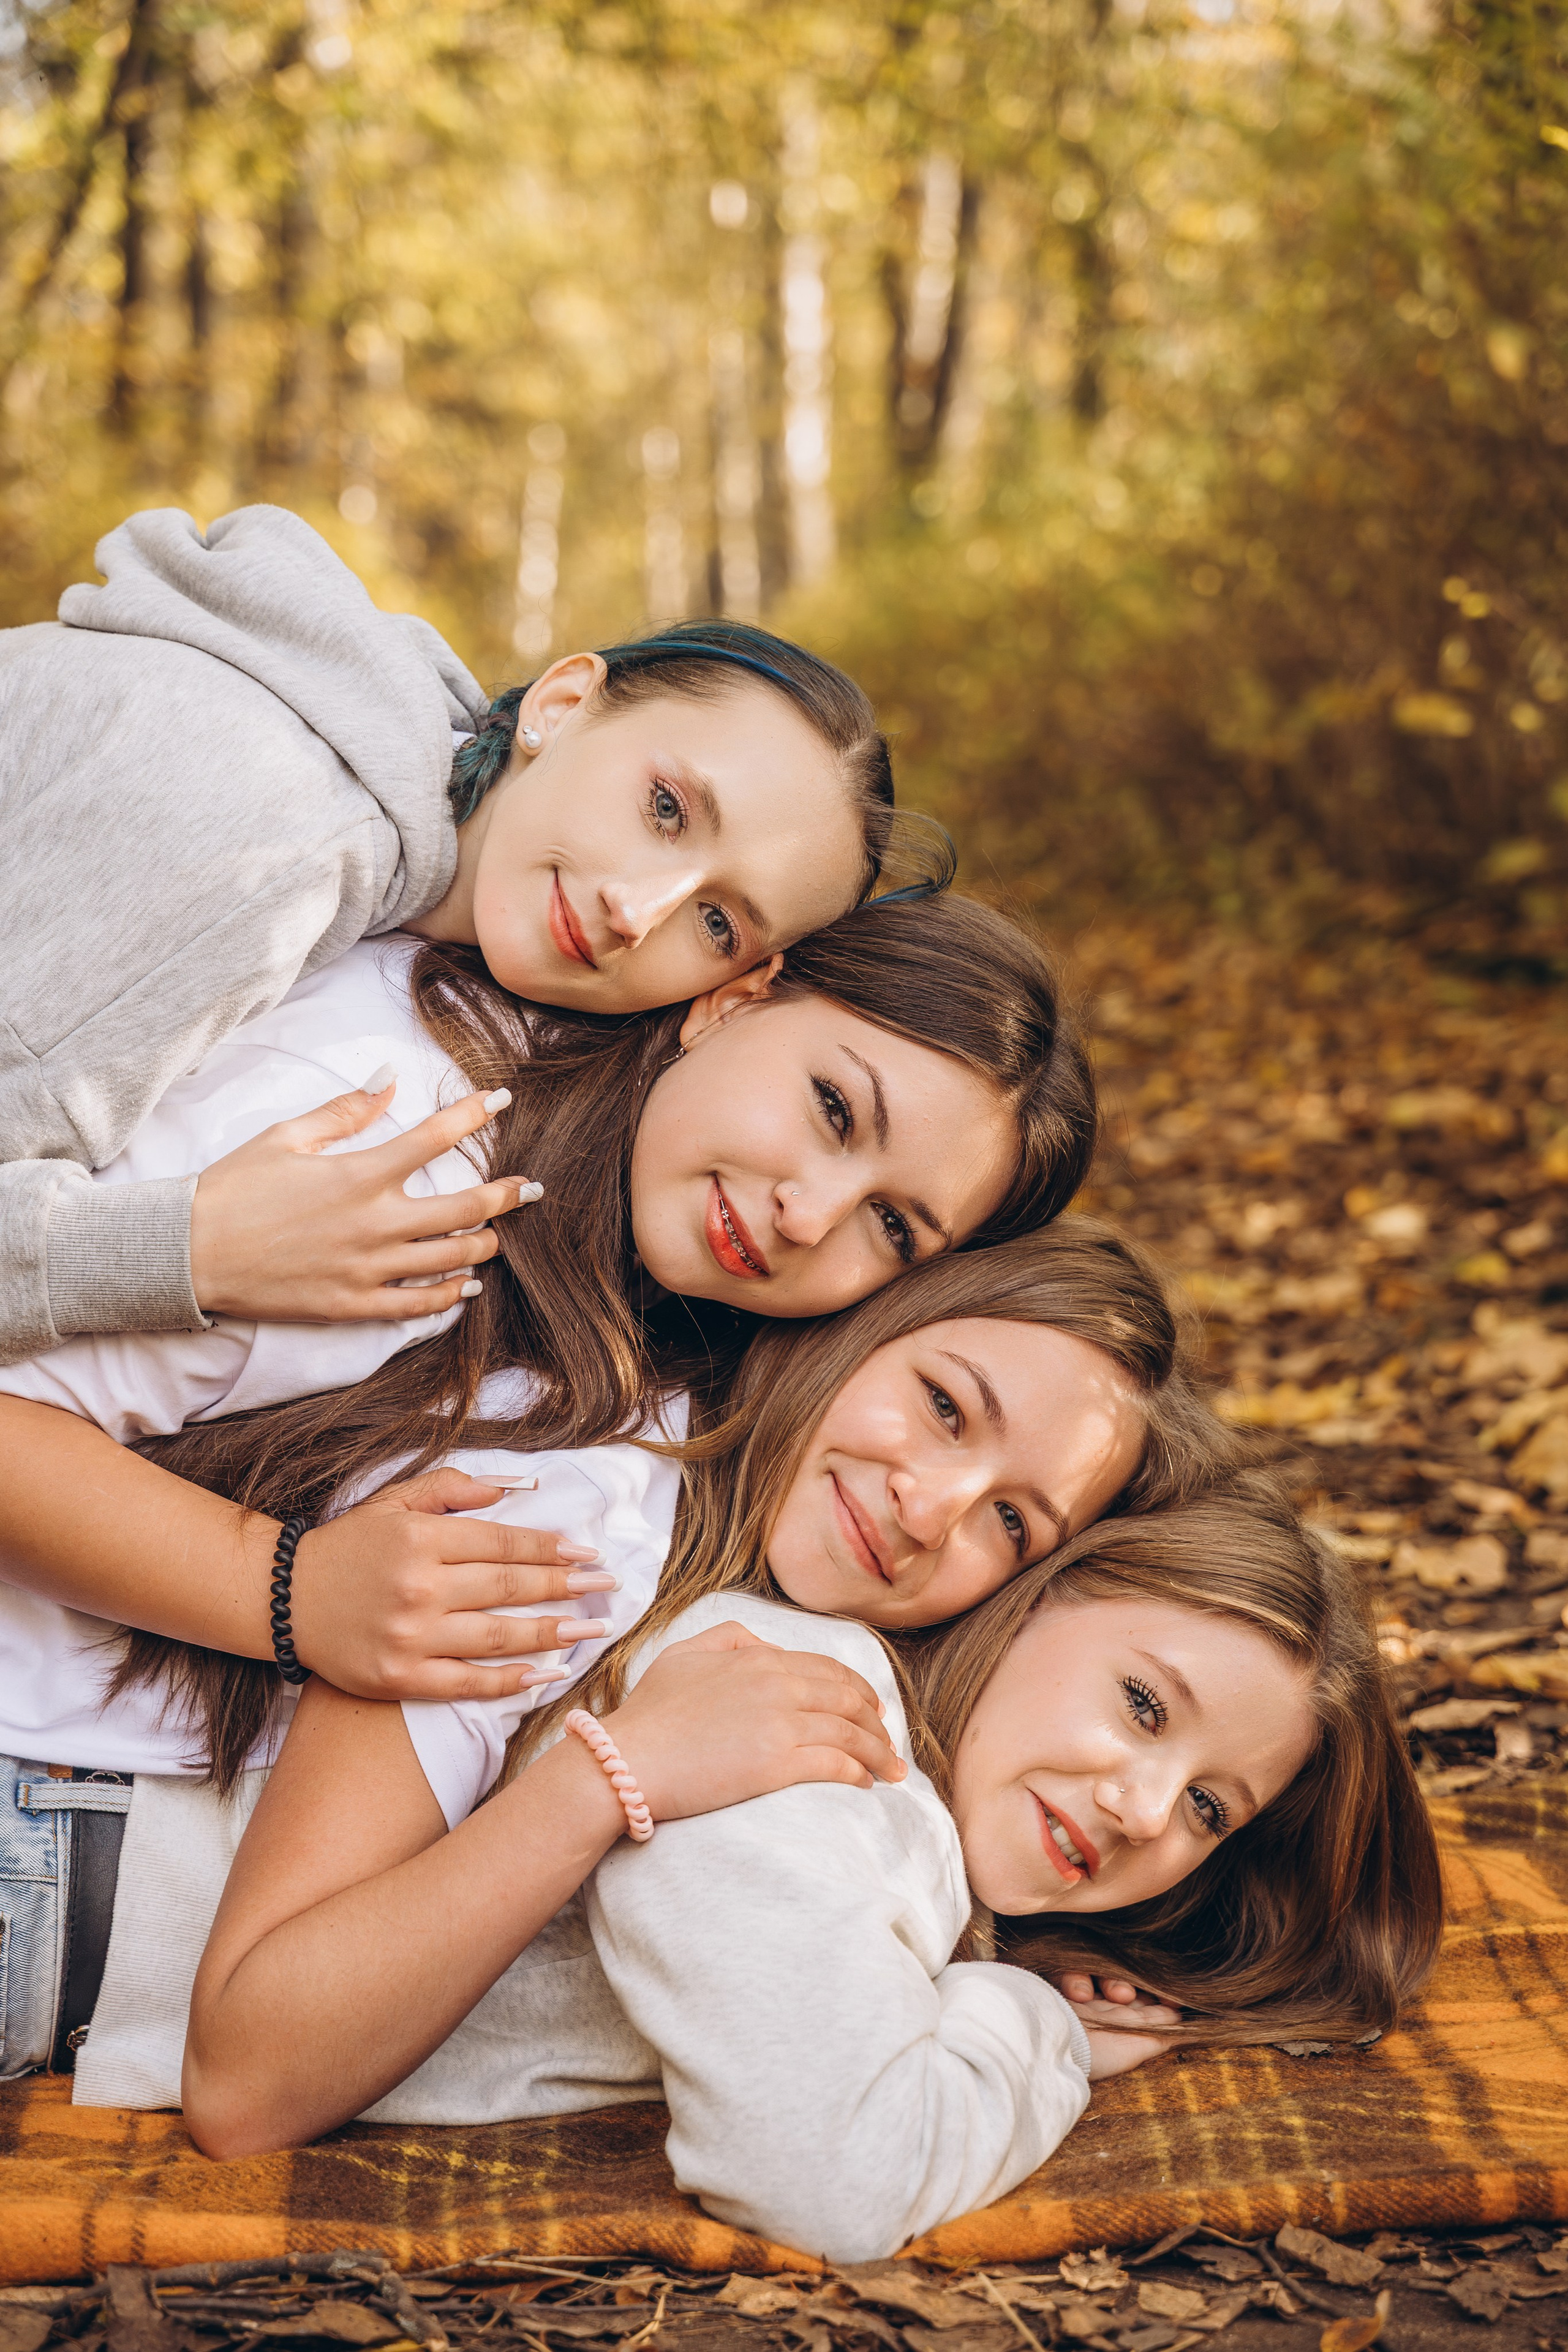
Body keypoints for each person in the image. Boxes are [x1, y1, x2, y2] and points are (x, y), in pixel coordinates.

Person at [1, 1218, 1206, 2086]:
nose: (933, 1509)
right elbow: (251, 2073)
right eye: (945, 1406)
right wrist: (609, 1777)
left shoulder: (729, 1581)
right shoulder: (569, 1528)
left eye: (1010, 1521)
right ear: (864, 1327)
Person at [153, 1488, 1438, 2267]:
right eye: (1143, 1705)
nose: (1142, 1808)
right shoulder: (808, 1724)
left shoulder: (900, 1822)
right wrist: (1028, 2026)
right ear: (1037, 1595)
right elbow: (824, 2179)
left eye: (1207, 1807)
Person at [0, 891, 1096, 1725]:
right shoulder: (416, 1168)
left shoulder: (645, 1300)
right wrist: (286, 1593)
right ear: (737, 999)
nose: (810, 1217)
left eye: (894, 1227)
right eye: (832, 1109)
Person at [0, 502, 924, 1366]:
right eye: (666, 808)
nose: (638, 912)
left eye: (717, 922)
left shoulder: (384, 826)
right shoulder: (270, 826)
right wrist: (195, 1250)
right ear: (561, 706)